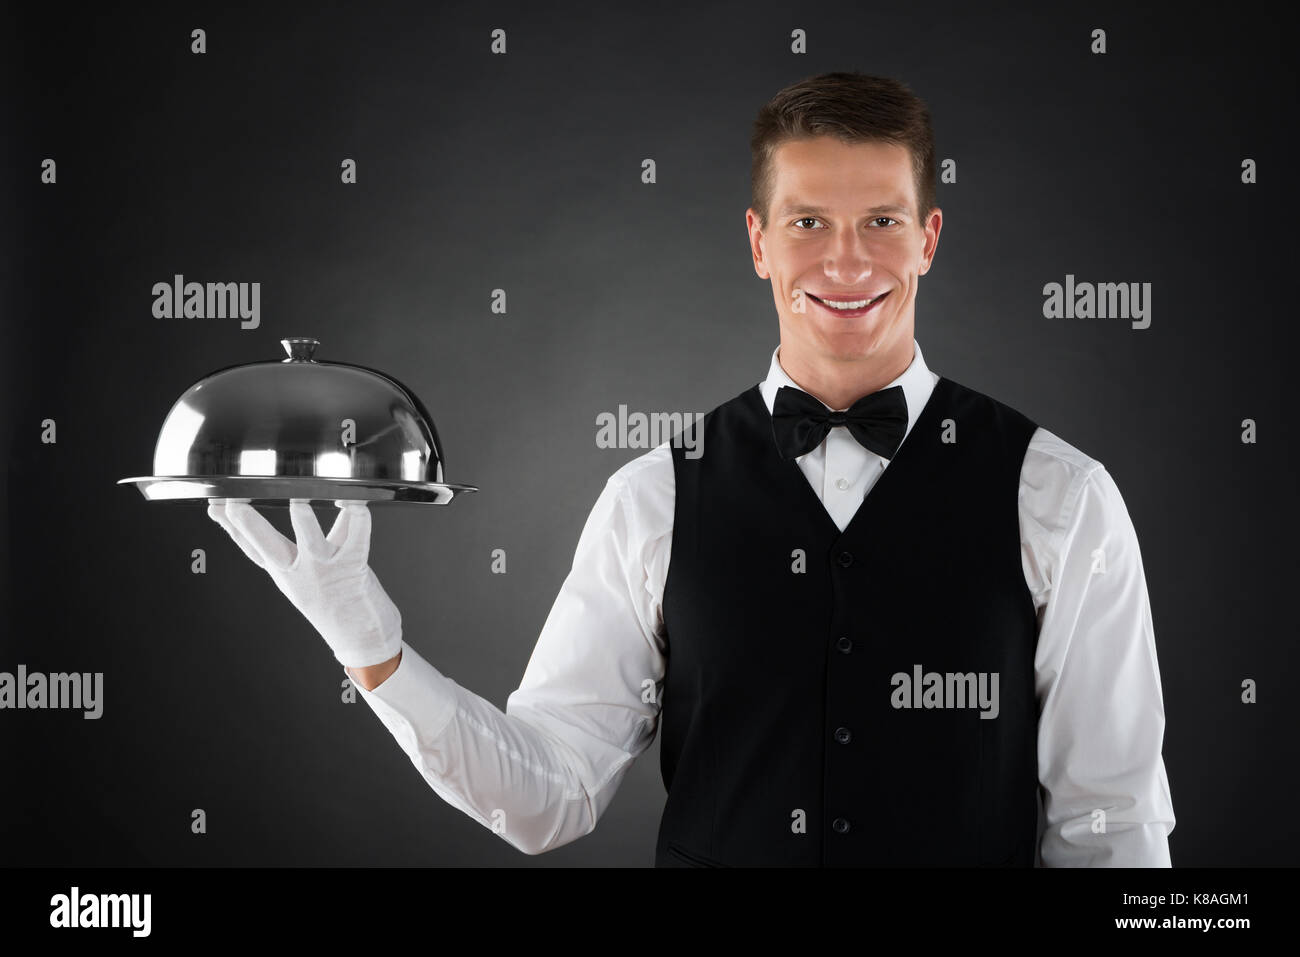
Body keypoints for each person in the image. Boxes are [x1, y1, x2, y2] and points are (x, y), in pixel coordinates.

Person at [207, 71, 1175, 867]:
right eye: (805, 224)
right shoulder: (652, 498)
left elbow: (1112, 827)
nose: (845, 262)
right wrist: (376, 658)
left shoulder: (1056, 494)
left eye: (881, 221)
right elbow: (548, 795)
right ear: (758, 243)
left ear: (926, 240)